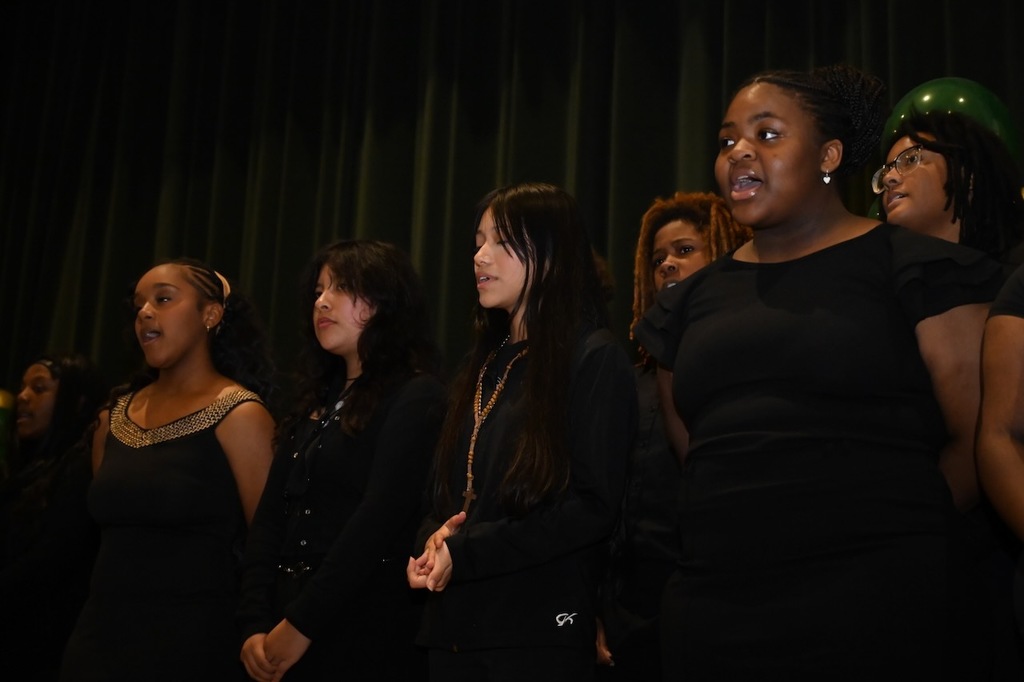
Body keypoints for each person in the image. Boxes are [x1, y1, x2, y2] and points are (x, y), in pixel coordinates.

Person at [634, 64, 1003, 678]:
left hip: (880, 601)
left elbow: (979, 439)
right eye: (728, 141)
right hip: (718, 609)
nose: (739, 153)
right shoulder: (684, 307)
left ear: (829, 154)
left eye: (768, 134)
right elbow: (695, 448)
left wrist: (886, 531)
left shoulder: (918, 269)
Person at [407, 182, 637, 681]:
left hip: (536, 633)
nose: (480, 256)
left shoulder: (592, 358)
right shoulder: (479, 363)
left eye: (501, 242)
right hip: (452, 633)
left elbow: (592, 508)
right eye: (478, 242)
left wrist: (464, 552)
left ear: (552, 254)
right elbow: (440, 494)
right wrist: (431, 546)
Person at [237, 240, 445, 681]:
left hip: (361, 628)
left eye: (342, 288)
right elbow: (269, 519)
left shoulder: (415, 395)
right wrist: (255, 622)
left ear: (386, 303)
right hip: (281, 619)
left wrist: (300, 625)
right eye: (318, 290)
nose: (322, 302)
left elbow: (377, 520)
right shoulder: (314, 399)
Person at [60, 259, 276, 682]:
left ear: (210, 315)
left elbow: (267, 544)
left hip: (192, 647)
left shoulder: (241, 414)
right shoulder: (112, 419)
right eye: (139, 304)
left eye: (162, 299)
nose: (144, 312)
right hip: (98, 643)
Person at [596, 192, 750, 680]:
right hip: (627, 612)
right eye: (658, 258)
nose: (666, 265)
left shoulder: (749, 365)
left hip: (721, 600)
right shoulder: (631, 379)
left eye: (684, 250)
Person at [0, 353, 107, 682]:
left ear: (77, 402)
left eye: (39, 388)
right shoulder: (25, 470)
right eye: (23, 387)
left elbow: (52, 558)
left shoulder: (79, 469)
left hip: (42, 649)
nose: (22, 397)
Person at [875, 108, 1024, 264]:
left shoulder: (1014, 276)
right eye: (886, 171)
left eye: (910, 160)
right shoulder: (876, 279)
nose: (888, 179)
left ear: (966, 172)